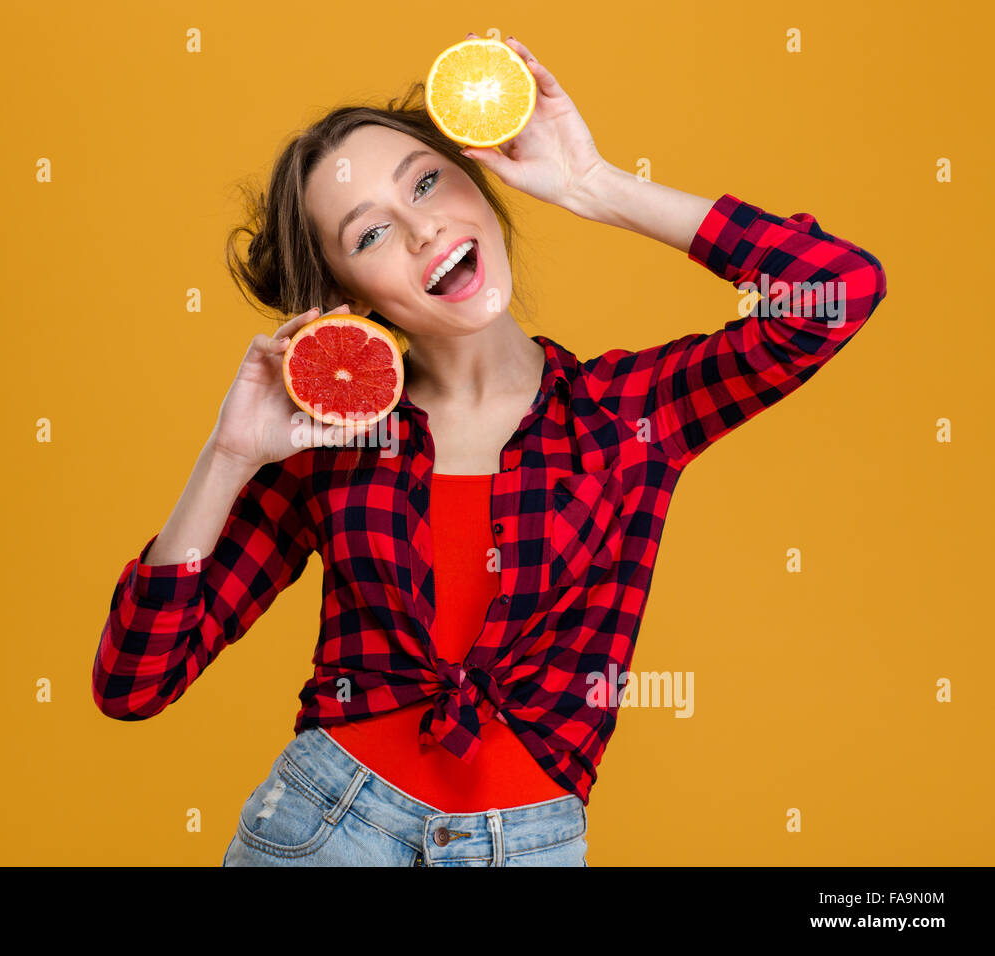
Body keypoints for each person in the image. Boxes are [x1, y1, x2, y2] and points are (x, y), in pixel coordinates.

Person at [91, 34, 887, 866]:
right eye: (370, 235)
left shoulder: (627, 418)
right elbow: (133, 684)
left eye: (428, 182)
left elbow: (836, 292)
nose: (423, 227)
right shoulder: (332, 446)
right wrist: (228, 455)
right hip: (326, 830)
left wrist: (594, 185)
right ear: (348, 298)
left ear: (478, 178)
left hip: (532, 842)